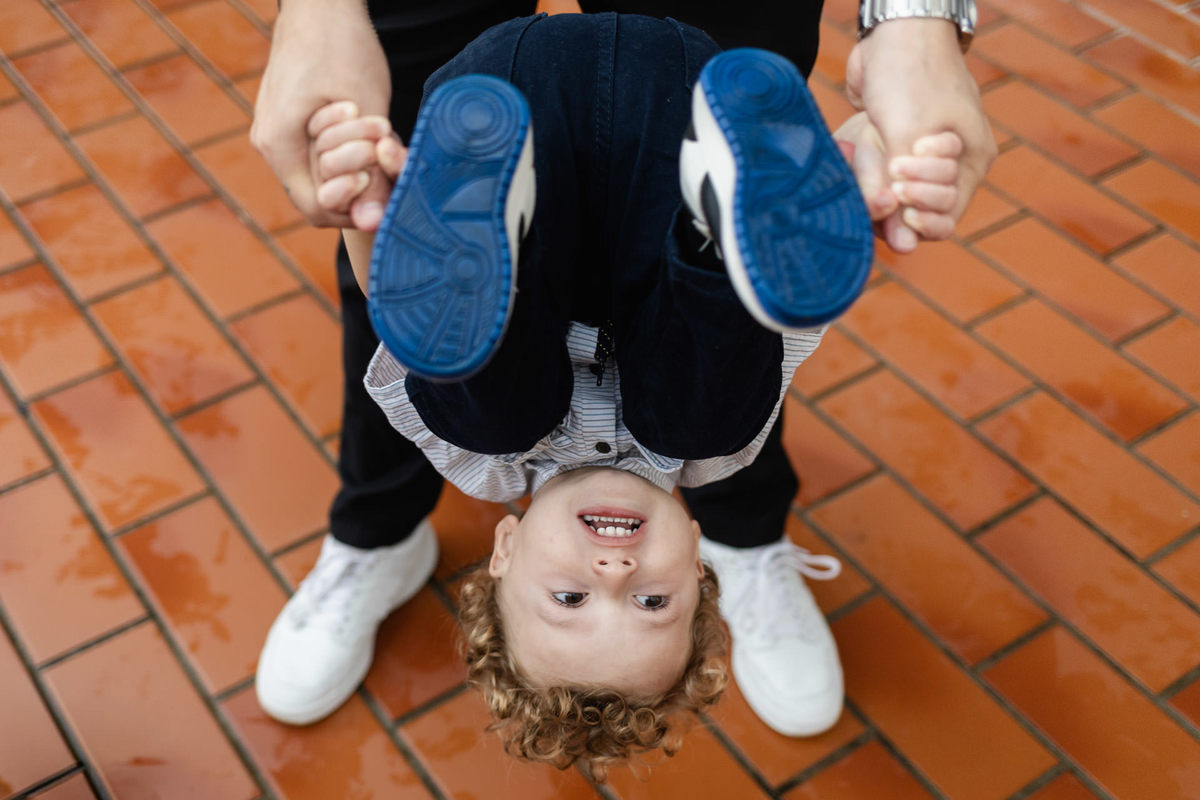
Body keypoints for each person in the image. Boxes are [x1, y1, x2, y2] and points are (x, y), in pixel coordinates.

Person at [251, 0, 992, 744]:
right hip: (676, 106)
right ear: (699, 562)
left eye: (569, 598)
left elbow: (388, 291)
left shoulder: (474, 456)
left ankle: (494, 225)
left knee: (486, 419)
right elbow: (792, 307)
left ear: (504, 554)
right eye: (651, 603)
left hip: (509, 104)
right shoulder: (715, 437)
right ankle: (721, 207)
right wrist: (864, 163)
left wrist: (364, 199)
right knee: (716, 423)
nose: (613, 571)